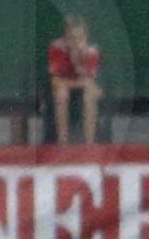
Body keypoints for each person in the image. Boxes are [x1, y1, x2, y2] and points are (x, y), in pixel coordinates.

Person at [42, 15, 104, 146]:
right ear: (65, 37)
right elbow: (55, 81)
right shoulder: (56, 48)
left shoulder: (92, 51)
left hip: (82, 86)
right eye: (71, 38)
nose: (75, 42)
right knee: (61, 93)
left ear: (86, 37)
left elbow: (90, 81)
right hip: (62, 86)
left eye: (80, 38)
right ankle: (63, 143)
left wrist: (78, 61)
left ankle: (89, 144)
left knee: (90, 95)